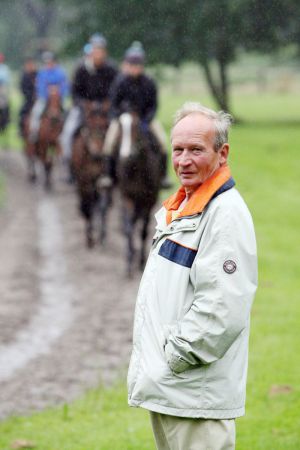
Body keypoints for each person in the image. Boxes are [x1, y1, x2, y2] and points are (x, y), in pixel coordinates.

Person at [127, 102, 258, 450]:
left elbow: (222, 306)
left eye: (196, 150)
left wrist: (175, 359)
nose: (183, 160)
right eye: (178, 150)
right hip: (175, 390)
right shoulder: (184, 206)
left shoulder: (225, 214)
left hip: (192, 392)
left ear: (222, 152)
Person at [102, 41, 171, 188]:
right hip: (124, 120)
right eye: (132, 64)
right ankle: (108, 175)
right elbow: (113, 104)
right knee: (109, 142)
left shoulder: (149, 82)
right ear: (127, 65)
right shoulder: (119, 82)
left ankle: (164, 176)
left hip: (145, 119)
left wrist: (147, 120)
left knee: (163, 142)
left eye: (137, 64)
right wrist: (120, 117)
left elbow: (153, 105)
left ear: (142, 66)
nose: (134, 68)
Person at [60, 33, 118, 161]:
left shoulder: (112, 69)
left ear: (105, 52)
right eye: (95, 49)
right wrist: (84, 104)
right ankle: (68, 161)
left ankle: (114, 166)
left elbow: (116, 91)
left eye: (100, 50)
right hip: (84, 109)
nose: (98, 53)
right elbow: (74, 92)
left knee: (120, 133)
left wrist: (108, 103)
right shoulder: (80, 69)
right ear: (90, 51)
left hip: (106, 109)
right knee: (68, 132)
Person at [29, 51, 68, 143]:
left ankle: (64, 134)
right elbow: (40, 87)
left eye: (50, 61)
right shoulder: (42, 73)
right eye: (47, 62)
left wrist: (58, 92)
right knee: (36, 112)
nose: (49, 63)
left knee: (67, 112)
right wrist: (48, 93)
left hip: (58, 99)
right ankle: (34, 132)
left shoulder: (60, 72)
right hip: (45, 99)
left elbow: (65, 86)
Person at [19, 57, 37, 136]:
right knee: (22, 112)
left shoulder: (36, 74)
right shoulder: (24, 76)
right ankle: (21, 130)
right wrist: (30, 96)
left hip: (38, 98)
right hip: (29, 99)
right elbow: (23, 88)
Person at [0, 53, 11, 129]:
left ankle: (5, 121)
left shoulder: (5, 69)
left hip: (2, 88)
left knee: (5, 104)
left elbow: (7, 80)